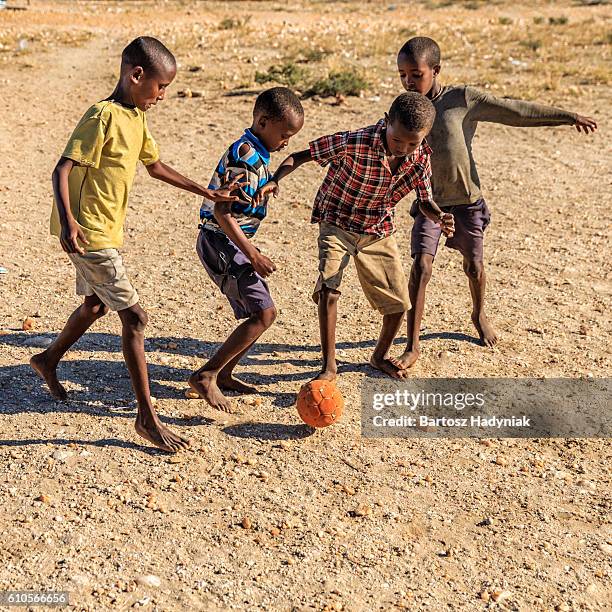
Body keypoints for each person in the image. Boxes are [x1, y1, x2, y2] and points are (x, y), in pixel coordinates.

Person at [31, 36, 242, 452]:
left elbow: (156, 166)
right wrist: (69, 221)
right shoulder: (102, 116)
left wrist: (208, 192)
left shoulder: (137, 118)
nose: (162, 95)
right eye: (160, 87)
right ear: (136, 75)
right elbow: (62, 168)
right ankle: (146, 418)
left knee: (95, 304)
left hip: (103, 229)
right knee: (135, 319)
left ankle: (47, 360)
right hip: (88, 231)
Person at [394, 36, 598, 369]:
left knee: (474, 268)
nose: (407, 82)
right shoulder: (406, 108)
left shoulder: (461, 99)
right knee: (421, 267)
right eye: (402, 74)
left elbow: (515, 111)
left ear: (436, 70)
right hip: (431, 204)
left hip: (467, 202)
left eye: (415, 74)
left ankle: (478, 313)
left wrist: (566, 115)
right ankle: (413, 344)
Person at [254, 92, 453, 381]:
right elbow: (299, 156)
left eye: (413, 143)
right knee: (329, 288)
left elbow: (424, 200)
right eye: (397, 140)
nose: (404, 149)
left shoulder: (420, 157)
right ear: (386, 123)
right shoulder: (354, 141)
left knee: (398, 304)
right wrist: (274, 180)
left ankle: (379, 356)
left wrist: (439, 216)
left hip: (376, 228)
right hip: (336, 221)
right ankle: (329, 366)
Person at [188, 87, 304, 412]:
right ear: (263, 122)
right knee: (264, 313)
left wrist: (270, 182)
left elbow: (249, 193)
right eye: (284, 134)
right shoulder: (244, 158)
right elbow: (220, 213)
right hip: (220, 242)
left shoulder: (257, 154)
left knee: (260, 312)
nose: (286, 142)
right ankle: (207, 375)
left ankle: (224, 374)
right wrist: (253, 254)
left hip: (228, 243)